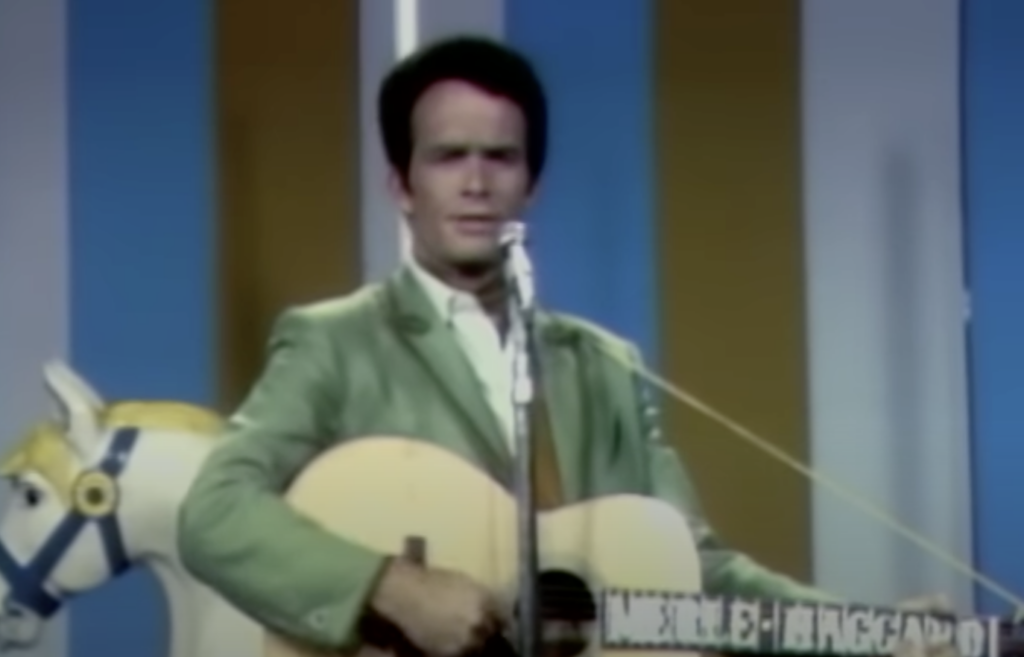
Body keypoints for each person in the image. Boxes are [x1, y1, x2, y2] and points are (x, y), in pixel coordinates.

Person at [177, 35, 951, 657]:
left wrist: (874, 631)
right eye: (449, 157)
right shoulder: (335, 342)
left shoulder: (602, 364)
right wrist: (391, 588)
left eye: (501, 158)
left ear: (532, 183)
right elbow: (214, 513)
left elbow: (691, 569)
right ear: (402, 187)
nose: (477, 183)